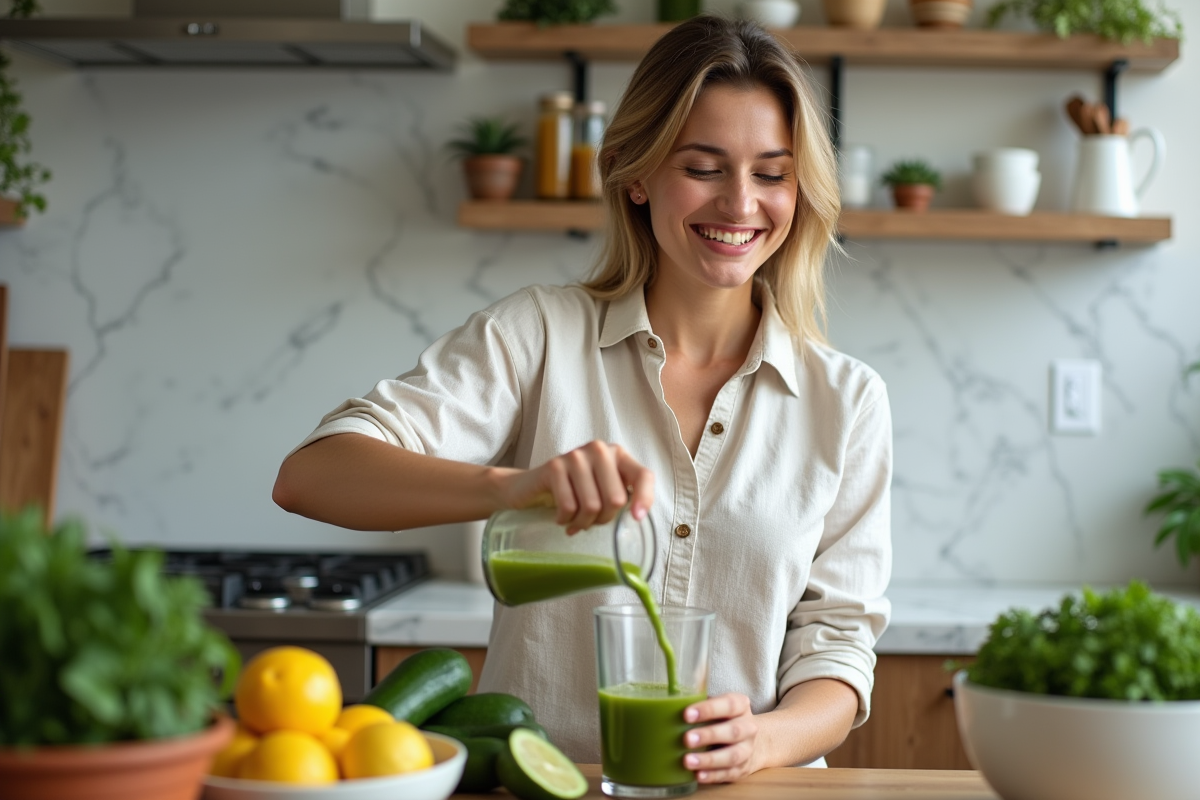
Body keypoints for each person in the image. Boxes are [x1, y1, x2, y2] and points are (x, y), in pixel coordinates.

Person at [273, 14, 891, 782]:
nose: (740, 204)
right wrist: (514, 487)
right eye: (703, 167)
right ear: (637, 175)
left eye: (772, 173)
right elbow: (311, 477)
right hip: (543, 787)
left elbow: (838, 648)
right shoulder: (537, 335)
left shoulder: (847, 400)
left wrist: (764, 739)